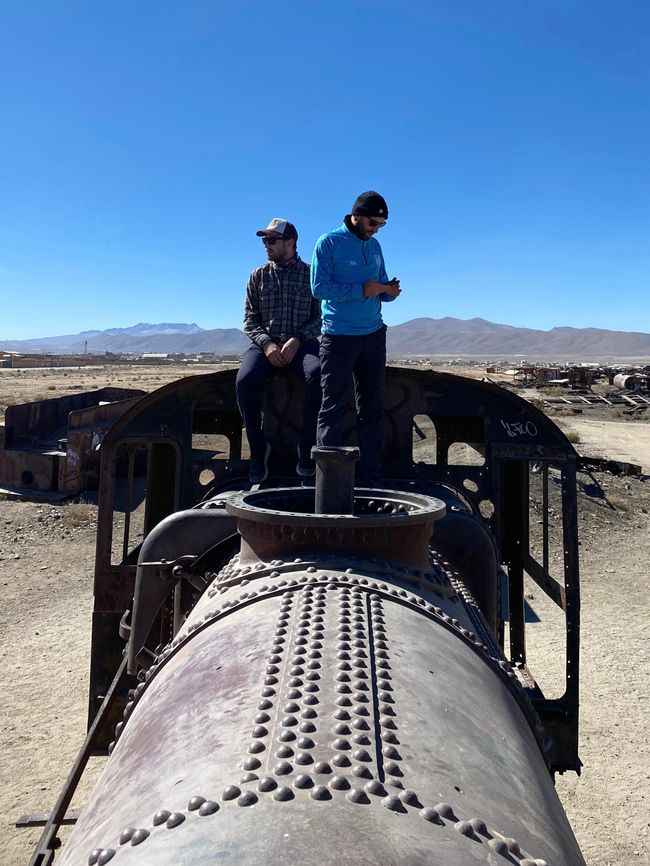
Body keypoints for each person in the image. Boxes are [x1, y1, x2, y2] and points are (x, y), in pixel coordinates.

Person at [311, 191, 401, 485]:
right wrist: (362, 290)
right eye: (373, 223)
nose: (376, 229)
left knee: (372, 407)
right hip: (338, 337)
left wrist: (389, 292)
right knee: (332, 406)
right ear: (357, 216)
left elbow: (380, 285)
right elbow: (320, 288)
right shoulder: (329, 242)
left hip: (374, 336)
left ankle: (370, 473)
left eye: (382, 225)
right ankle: (329, 479)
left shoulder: (375, 246)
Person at [236, 217, 322, 484]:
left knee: (318, 374)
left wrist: (298, 338)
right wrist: (267, 343)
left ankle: (306, 449)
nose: (266, 245)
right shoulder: (258, 276)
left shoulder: (311, 275)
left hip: (302, 343)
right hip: (264, 345)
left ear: (290, 242)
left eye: (272, 240)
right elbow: (250, 318)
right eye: (265, 241)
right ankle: (258, 452)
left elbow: (320, 317)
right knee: (244, 381)